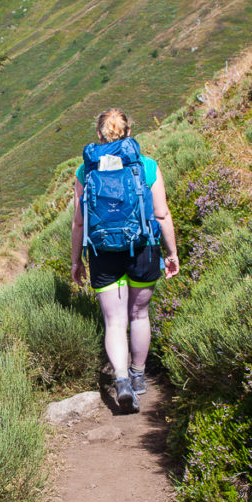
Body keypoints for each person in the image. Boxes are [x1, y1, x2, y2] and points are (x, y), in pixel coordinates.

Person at [71, 107, 180, 412]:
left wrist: (76, 261)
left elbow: (79, 222)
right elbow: (161, 214)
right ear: (129, 132)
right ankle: (139, 376)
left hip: (103, 252)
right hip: (143, 248)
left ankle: (120, 379)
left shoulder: (86, 171)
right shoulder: (147, 165)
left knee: (114, 321)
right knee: (139, 315)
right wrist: (171, 253)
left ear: (99, 134)